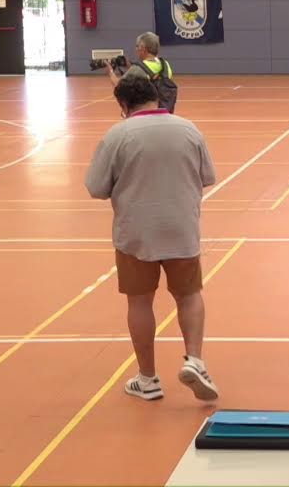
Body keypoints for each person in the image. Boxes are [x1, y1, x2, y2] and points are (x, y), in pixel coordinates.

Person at [85, 73, 218, 402]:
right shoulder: (189, 129)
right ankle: (196, 361)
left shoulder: (118, 135)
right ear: (156, 97)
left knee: (140, 301)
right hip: (182, 228)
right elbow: (207, 177)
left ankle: (148, 379)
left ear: (123, 104)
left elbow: (96, 187)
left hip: (136, 232)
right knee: (189, 295)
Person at [108, 32, 178, 114]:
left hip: (146, 114)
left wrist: (110, 71)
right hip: (165, 110)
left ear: (143, 48)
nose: (136, 49)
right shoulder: (165, 65)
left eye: (137, 46)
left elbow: (118, 85)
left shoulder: (137, 69)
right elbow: (150, 71)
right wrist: (130, 66)